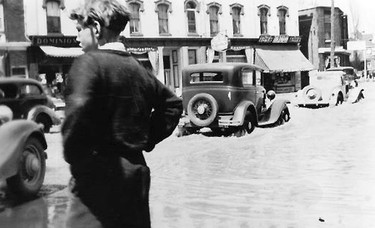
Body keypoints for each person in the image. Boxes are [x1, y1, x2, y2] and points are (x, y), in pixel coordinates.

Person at [61, 1, 183, 227]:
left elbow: (76, 114)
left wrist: (78, 161)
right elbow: (172, 105)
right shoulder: (138, 68)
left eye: (79, 30)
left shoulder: (88, 63)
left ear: (96, 28)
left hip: (96, 176)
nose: (77, 38)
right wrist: (145, 138)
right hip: (135, 175)